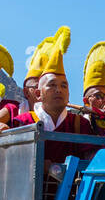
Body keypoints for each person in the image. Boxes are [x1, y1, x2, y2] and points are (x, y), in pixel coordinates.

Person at [15, 28, 98, 165]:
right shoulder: (24, 121)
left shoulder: (79, 124)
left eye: (64, 86)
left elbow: (89, 158)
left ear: (69, 94)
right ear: (38, 94)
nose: (59, 90)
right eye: (52, 85)